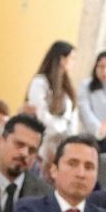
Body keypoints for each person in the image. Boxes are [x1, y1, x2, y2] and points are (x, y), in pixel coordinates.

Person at [26, 41, 82, 169]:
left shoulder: (68, 87)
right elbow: (40, 114)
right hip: (42, 145)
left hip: (61, 146)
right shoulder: (40, 82)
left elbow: (72, 116)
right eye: (72, 58)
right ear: (62, 59)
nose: (74, 63)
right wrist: (60, 128)